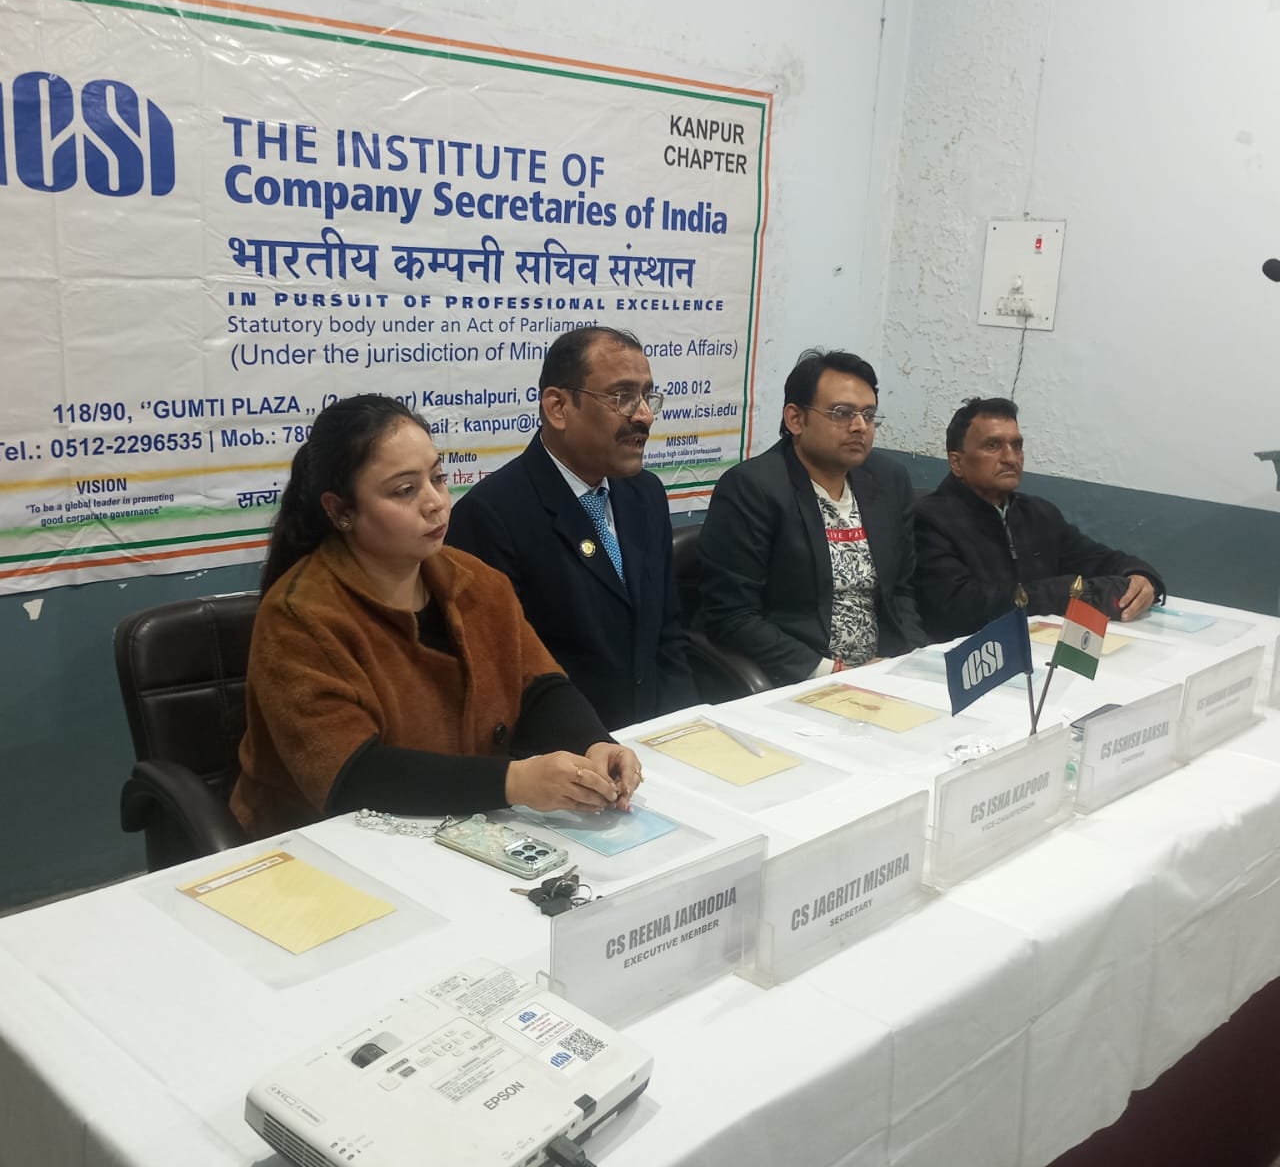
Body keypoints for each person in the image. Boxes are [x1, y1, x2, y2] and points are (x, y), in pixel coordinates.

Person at [229, 393, 642, 839]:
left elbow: (537, 686)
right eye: (405, 490)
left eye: (438, 478)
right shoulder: (297, 617)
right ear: (341, 511)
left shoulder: (477, 581)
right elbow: (352, 775)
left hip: (457, 822)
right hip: (323, 841)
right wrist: (514, 782)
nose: (436, 502)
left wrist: (593, 742)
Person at [446, 326, 697, 730]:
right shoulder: (491, 515)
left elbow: (667, 636)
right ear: (558, 407)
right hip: (568, 749)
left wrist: (686, 727)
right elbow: (502, 680)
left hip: (656, 737)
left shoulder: (645, 493)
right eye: (622, 397)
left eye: (647, 396)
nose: (644, 415)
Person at [697, 349, 927, 686]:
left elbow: (901, 591)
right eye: (842, 413)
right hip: (802, 677)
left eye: (868, 415)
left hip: (884, 671)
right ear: (795, 419)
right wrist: (833, 673)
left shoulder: (889, 480)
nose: (860, 426)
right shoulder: (752, 488)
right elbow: (732, 616)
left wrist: (911, 660)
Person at [912, 396, 1165, 642]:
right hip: (964, 657)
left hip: (1039, 649)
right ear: (956, 462)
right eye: (992, 446)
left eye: (1017, 446)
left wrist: (1142, 577)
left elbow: (1100, 559)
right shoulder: (929, 520)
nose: (1011, 458)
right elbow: (962, 607)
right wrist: (1067, 594)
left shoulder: (1038, 513)